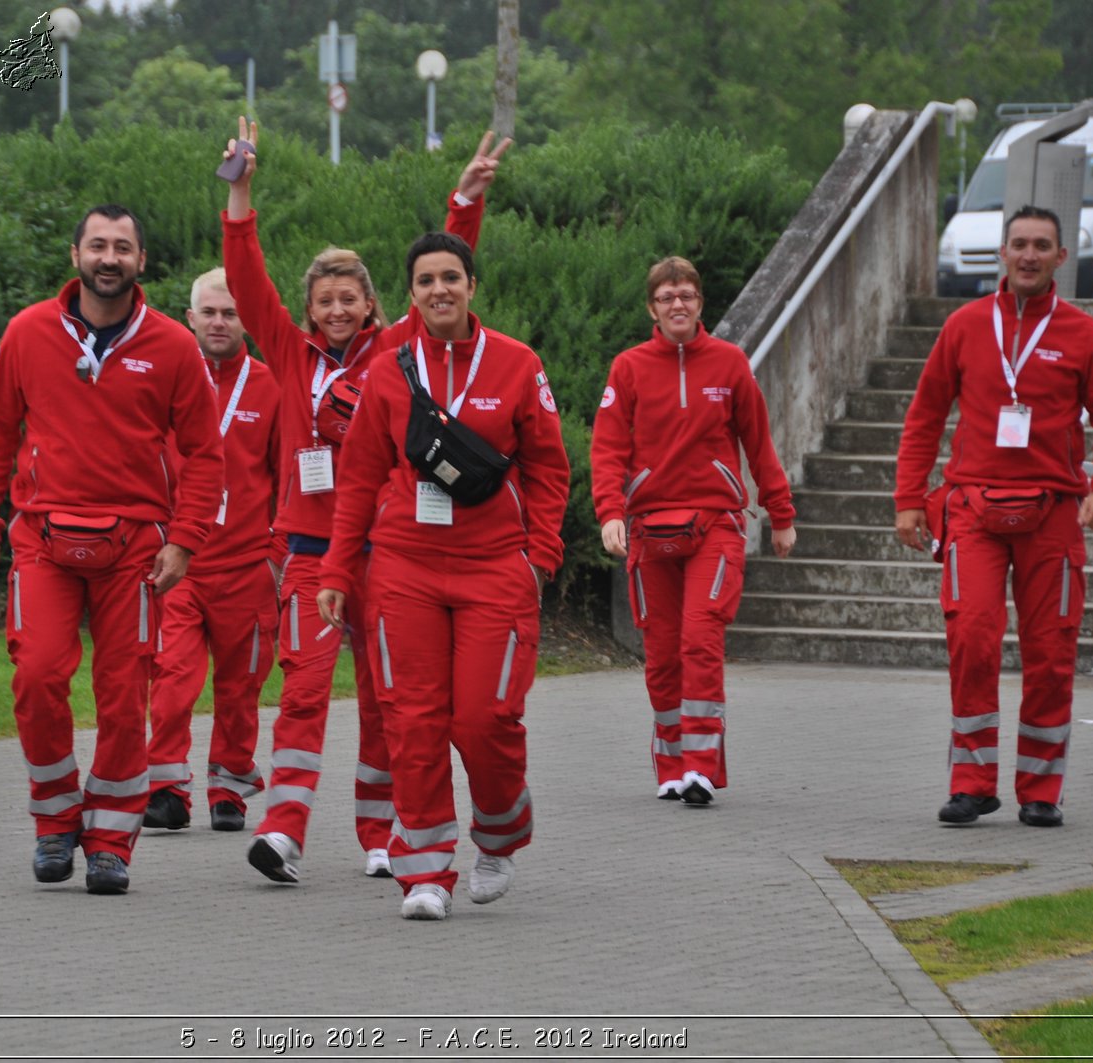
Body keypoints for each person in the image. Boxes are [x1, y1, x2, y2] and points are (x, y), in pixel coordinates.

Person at [220, 117, 510, 884]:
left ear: (371, 305)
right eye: (325, 302)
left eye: (350, 299)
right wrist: (240, 194)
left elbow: (439, 283)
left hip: (386, 553)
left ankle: (382, 830)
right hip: (310, 555)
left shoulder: (395, 353)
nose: (338, 312)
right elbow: (245, 279)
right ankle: (282, 831)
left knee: (388, 701)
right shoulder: (285, 352)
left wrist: (465, 200)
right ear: (308, 309)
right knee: (304, 694)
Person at [0, 205, 224, 894]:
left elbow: (204, 453)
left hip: (135, 551)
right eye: (99, 245)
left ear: (142, 261)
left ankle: (110, 839)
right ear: (76, 252)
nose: (110, 257)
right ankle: (55, 823)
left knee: (121, 697)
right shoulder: (26, 332)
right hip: (43, 540)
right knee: (38, 677)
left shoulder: (173, 345)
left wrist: (186, 541)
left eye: (124, 247)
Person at [317, 231, 571, 921]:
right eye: (426, 280)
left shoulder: (518, 364)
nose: (439, 290)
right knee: (413, 720)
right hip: (404, 569)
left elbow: (549, 468)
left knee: (485, 718)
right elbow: (361, 476)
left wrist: (539, 554)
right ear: (411, 295)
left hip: (496, 569)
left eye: (451, 277)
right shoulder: (389, 372)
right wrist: (340, 566)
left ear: (471, 285)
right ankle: (424, 869)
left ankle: (498, 835)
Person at [895, 205, 1093, 829]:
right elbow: (924, 416)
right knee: (971, 640)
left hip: (1053, 513)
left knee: (1050, 653)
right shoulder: (964, 325)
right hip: (971, 509)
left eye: (1042, 246)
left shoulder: (1083, 334)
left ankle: (1041, 790)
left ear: (1061, 257)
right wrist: (906, 499)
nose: (1028, 255)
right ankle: (971, 784)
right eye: (1019, 244)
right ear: (1002, 253)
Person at [590, 257, 796, 808]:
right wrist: (610, 511)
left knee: (699, 638)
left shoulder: (730, 364)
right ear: (651, 308)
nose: (677, 304)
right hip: (649, 532)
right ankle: (673, 762)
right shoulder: (628, 368)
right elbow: (608, 447)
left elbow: (759, 442)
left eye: (686, 295)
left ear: (700, 303)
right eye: (666, 297)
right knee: (661, 653)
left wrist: (781, 513)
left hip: (716, 526)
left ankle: (702, 768)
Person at [144, 268, 281, 834]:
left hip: (248, 566)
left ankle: (230, 786)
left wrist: (275, 557)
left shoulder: (272, 386)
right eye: (209, 312)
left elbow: (288, 475)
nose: (219, 322)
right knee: (172, 677)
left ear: (245, 319)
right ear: (190, 317)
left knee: (240, 685)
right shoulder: (167, 378)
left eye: (229, 313)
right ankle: (167, 789)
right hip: (180, 563)